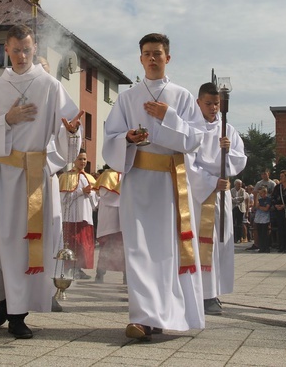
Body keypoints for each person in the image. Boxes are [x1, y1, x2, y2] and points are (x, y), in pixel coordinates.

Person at [0, 23, 82, 339]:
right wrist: (6, 120)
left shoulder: (49, 85)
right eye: (15, 49)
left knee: (24, 243)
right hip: (1, 175)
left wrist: (72, 132)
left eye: (27, 49)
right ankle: (5, 302)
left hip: (33, 176)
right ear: (6, 49)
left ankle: (19, 314)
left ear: (35, 50)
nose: (21, 55)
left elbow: (68, 128)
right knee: (0, 242)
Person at [103, 32, 206, 341]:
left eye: (157, 53)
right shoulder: (127, 97)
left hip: (170, 183)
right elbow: (110, 137)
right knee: (137, 249)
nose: (152, 58)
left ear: (167, 58)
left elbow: (195, 139)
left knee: (166, 251)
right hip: (137, 179)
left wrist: (168, 116)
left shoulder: (182, 96)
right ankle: (142, 317)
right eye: (147, 53)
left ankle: (164, 314)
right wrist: (127, 139)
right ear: (140, 58)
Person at [190, 82, 247, 316]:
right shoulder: (191, 128)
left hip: (220, 192)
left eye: (216, 104)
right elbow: (187, 162)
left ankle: (214, 291)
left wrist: (229, 150)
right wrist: (211, 182)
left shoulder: (228, 130)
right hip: (200, 192)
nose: (213, 108)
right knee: (203, 243)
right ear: (198, 103)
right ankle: (203, 294)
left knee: (220, 242)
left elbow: (240, 159)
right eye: (208, 103)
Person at [60, 149, 97, 280]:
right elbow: (63, 199)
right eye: (80, 159)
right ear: (74, 160)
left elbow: (96, 202)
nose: (83, 162)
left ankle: (79, 268)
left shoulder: (90, 178)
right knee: (71, 242)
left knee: (83, 244)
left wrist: (91, 193)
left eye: (84, 159)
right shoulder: (66, 177)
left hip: (85, 216)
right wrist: (81, 191)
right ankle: (69, 267)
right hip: (71, 217)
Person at [93, 165, 125, 284]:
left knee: (124, 247)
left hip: (124, 214)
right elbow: (105, 196)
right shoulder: (107, 175)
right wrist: (123, 193)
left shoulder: (127, 173)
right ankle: (100, 274)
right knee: (107, 246)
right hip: (110, 216)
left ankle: (126, 276)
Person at [253, 186, 271, 253]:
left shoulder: (268, 199)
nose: (261, 195)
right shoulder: (260, 200)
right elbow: (256, 206)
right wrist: (257, 196)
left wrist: (260, 207)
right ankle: (261, 247)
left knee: (265, 233)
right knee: (260, 233)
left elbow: (266, 209)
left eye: (261, 193)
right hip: (259, 218)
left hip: (265, 219)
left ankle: (266, 247)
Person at [230, 179, 247, 243]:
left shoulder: (243, 190)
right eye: (238, 184)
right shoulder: (232, 190)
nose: (240, 185)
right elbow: (230, 198)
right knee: (233, 223)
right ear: (235, 184)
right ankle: (234, 237)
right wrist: (236, 200)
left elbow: (243, 198)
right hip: (234, 207)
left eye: (241, 184)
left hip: (240, 208)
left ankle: (240, 237)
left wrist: (235, 199)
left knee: (240, 223)